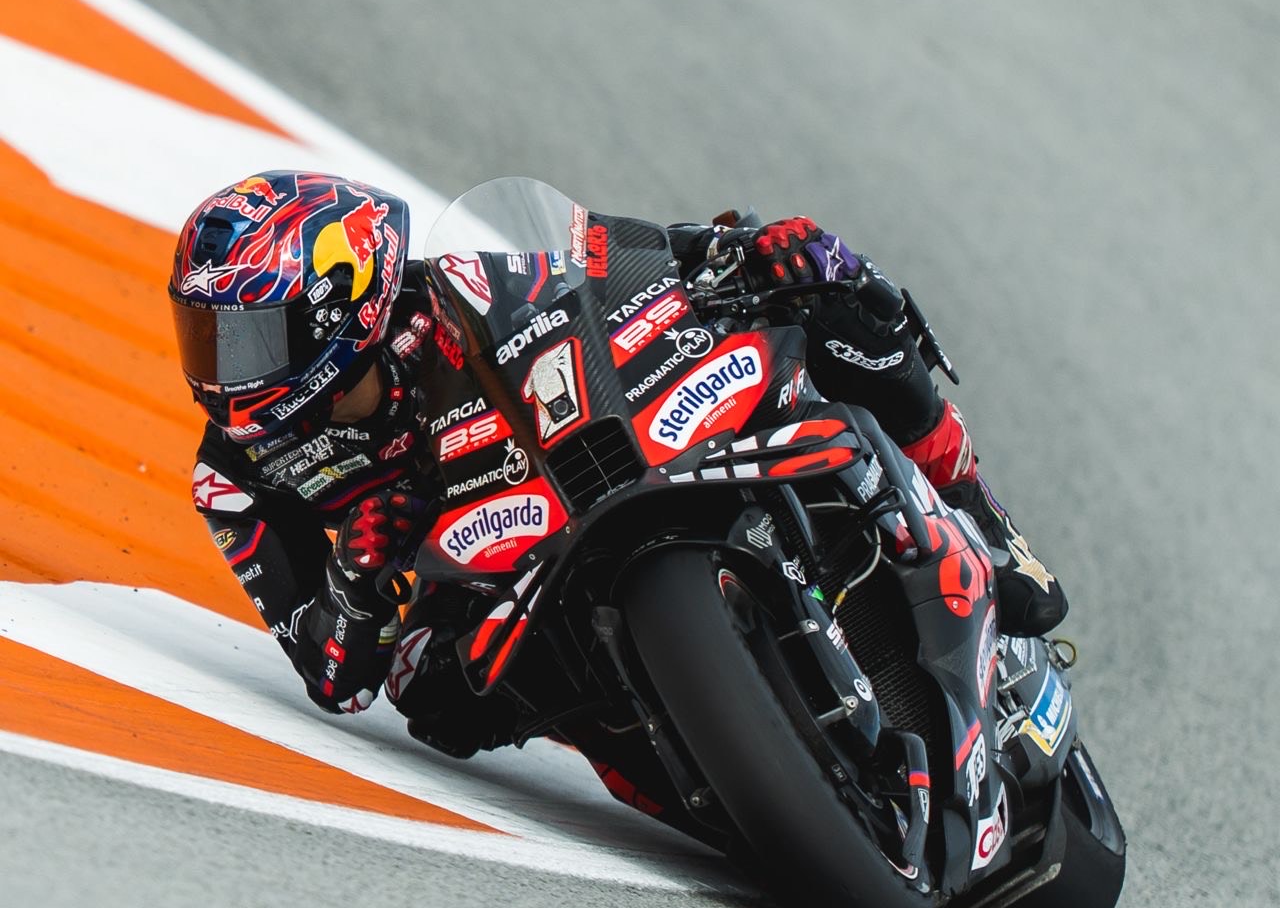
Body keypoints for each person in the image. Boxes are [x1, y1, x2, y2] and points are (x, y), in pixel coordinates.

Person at [170, 170, 1066, 749]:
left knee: (832, 303)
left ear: (341, 308)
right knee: (436, 706)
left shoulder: (460, 288)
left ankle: (984, 519)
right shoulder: (235, 478)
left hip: (595, 460)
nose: (219, 369)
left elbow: (620, 257)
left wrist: (746, 253)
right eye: (205, 336)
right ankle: (696, 752)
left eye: (244, 337)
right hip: (485, 586)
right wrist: (359, 585)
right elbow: (335, 678)